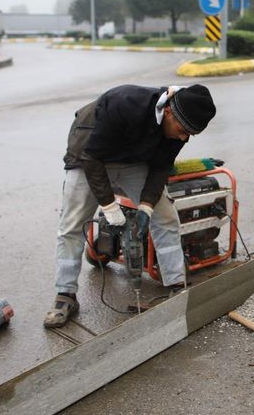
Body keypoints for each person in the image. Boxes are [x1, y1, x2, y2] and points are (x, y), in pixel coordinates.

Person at [44, 84, 217, 328]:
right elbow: (92, 158)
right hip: (89, 156)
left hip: (133, 160)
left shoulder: (181, 125)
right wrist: (110, 208)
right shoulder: (124, 103)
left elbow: (160, 167)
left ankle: (177, 285)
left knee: (165, 216)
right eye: (182, 130)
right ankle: (65, 296)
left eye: (190, 134)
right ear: (168, 112)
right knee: (72, 224)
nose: (183, 138)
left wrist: (146, 207)